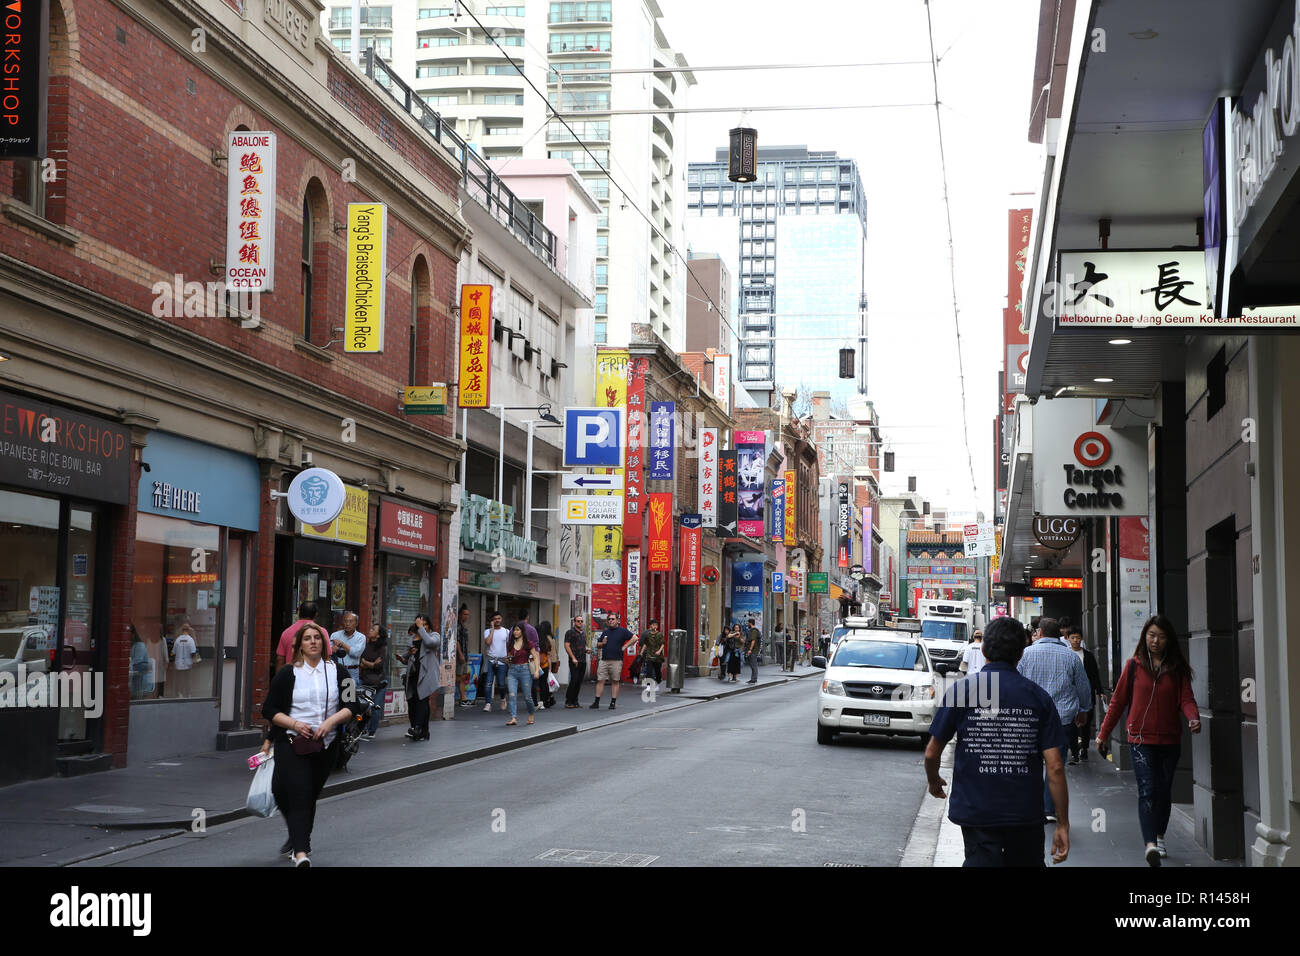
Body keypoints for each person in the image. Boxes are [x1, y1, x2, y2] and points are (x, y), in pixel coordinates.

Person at [925, 616, 1070, 867]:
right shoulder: (1038, 697)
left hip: (976, 810)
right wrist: (1063, 824)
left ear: (982, 650)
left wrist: (934, 780)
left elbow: (931, 753)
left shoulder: (964, 690)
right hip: (1024, 812)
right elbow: (1055, 766)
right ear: (1021, 653)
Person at [1096, 614, 1201, 867]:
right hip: (1140, 739)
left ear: (1169, 640)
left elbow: (1186, 698)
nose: (1155, 640)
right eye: (1151, 635)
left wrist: (1193, 717)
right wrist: (1103, 733)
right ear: (1144, 636)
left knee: (1164, 791)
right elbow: (1118, 703)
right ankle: (1150, 844)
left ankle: (1160, 835)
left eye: (1161, 636)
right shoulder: (1133, 666)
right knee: (1148, 790)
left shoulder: (1176, 669)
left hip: (1169, 739)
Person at [261, 620, 354, 866]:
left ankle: (300, 842)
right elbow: (270, 709)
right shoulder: (287, 673)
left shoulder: (339, 672)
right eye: (307, 638)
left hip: (325, 745)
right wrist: (293, 725)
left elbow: (352, 706)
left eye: (317, 638)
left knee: (307, 795)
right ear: (299, 645)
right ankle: (300, 847)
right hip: (291, 742)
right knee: (283, 792)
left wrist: (330, 722)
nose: (313, 641)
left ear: (324, 644)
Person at [1017, 617, 1093, 823]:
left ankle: (1031, 805)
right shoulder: (1071, 657)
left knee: (1030, 763)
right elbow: (1083, 687)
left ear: (1039, 633)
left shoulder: (1025, 655)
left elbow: (1016, 684)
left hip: (1030, 719)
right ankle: (1049, 809)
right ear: (1059, 635)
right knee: (1055, 765)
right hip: (1061, 719)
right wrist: (1084, 710)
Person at [1066, 627, 1104, 764]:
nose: (1075, 640)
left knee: (1086, 723)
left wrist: (1100, 691)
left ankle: (1085, 749)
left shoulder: (1088, 656)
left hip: (1087, 695)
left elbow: (1094, 675)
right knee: (1072, 723)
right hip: (1070, 695)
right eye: (1073, 637)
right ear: (1068, 639)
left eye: (1078, 637)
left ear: (1081, 639)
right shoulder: (1066, 654)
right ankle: (1074, 750)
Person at [407, 615, 442, 741]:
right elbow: (408, 654)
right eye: (421, 624)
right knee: (413, 701)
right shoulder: (412, 637)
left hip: (426, 673)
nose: (423, 626)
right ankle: (422, 730)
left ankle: (418, 728)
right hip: (413, 673)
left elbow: (430, 643)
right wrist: (405, 656)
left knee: (422, 700)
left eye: (425, 624)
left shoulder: (434, 635)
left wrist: (421, 628)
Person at [590, 612, 634, 709]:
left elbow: (634, 638)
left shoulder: (622, 631)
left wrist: (625, 646)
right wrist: (602, 643)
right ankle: (596, 702)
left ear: (617, 620)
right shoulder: (605, 632)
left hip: (616, 660)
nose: (610, 621)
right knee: (600, 680)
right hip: (604, 660)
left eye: (612, 619)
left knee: (615, 681)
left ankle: (613, 702)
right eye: (609, 619)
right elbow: (598, 645)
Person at [357, 625, 388, 738]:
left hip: (379, 682)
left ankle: (372, 731)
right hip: (365, 680)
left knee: (376, 707)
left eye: (372, 630)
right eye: (370, 629)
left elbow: (378, 665)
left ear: (378, 635)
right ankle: (362, 729)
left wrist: (367, 663)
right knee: (361, 706)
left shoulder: (382, 648)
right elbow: (361, 662)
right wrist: (370, 664)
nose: (369, 630)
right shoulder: (366, 646)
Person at [504, 623, 538, 726]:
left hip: (525, 670)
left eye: (518, 630)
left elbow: (535, 657)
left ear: (522, 631)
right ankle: (513, 717)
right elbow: (509, 658)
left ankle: (531, 714)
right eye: (514, 630)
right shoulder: (509, 644)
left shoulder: (528, 643)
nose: (515, 632)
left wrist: (536, 671)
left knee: (527, 696)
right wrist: (507, 660)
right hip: (512, 671)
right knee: (512, 695)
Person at [395, 625, 422, 738]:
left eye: (412, 635)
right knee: (411, 702)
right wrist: (402, 659)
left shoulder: (424, 645)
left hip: (420, 678)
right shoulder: (411, 646)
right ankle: (413, 727)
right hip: (411, 677)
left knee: (419, 702)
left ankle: (419, 728)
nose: (411, 638)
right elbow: (407, 661)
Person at [276, 601, 317, 670]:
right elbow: (327, 658)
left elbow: (280, 660)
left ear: (298, 612)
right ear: (316, 614)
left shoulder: (286, 632)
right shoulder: (321, 632)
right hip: (315, 677)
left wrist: (279, 678)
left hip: (290, 676)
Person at [482, 611, 510, 713]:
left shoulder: (506, 631)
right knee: (488, 683)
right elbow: (488, 642)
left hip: (502, 661)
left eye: (498, 618)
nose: (497, 620)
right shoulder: (487, 631)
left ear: (501, 619)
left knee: (501, 684)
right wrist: (492, 629)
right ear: (492, 621)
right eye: (495, 619)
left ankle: (503, 699)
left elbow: (509, 646)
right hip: (491, 660)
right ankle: (488, 703)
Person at [329, 612, 367, 685]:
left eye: (350, 621)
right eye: (345, 621)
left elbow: (356, 653)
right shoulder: (335, 635)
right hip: (336, 669)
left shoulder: (361, 637)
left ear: (356, 623)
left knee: (350, 695)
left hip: (352, 671)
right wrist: (333, 649)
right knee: (336, 693)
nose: (347, 624)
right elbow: (329, 652)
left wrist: (342, 644)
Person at [563, 614, 587, 708]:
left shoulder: (583, 633)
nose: (580, 623)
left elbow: (583, 646)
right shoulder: (570, 632)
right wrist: (573, 657)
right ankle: (569, 700)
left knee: (579, 681)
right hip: (575, 660)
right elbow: (567, 645)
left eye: (581, 621)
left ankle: (575, 701)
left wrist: (586, 649)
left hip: (583, 660)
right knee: (574, 680)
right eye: (578, 621)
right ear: (574, 622)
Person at [533, 619, 556, 709]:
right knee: (544, 684)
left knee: (534, 685)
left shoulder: (535, 642)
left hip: (535, 666)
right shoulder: (546, 641)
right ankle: (543, 701)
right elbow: (549, 656)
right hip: (545, 665)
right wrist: (550, 669)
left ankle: (535, 702)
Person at [172, 623, 198, 698]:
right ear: (188, 630)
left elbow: (173, 652)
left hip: (179, 664)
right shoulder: (190, 640)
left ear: (182, 630)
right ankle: (188, 694)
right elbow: (193, 652)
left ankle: (179, 693)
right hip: (188, 663)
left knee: (179, 679)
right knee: (188, 679)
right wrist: (196, 661)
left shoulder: (177, 640)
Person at [640, 619, 665, 689]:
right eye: (653, 625)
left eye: (656, 625)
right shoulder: (647, 635)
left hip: (658, 656)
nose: (655, 626)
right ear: (650, 626)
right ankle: (648, 685)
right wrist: (641, 652)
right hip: (649, 655)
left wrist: (659, 651)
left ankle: (658, 682)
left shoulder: (659, 634)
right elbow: (645, 644)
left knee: (657, 671)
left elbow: (662, 644)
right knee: (649, 671)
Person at [455, 605, 472, 707]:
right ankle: (463, 698)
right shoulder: (457, 626)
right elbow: (456, 640)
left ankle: (463, 698)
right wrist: (460, 654)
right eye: (465, 614)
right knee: (459, 677)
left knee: (463, 677)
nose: (466, 616)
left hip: (465, 655)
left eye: (468, 614)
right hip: (459, 656)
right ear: (460, 614)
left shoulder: (463, 626)